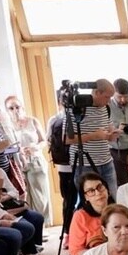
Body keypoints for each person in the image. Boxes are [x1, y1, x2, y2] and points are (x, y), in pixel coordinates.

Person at [69, 172, 128, 255]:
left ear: (108, 190)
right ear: (85, 197)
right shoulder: (80, 216)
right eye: (91, 191)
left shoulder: (121, 212)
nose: (98, 193)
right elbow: (76, 252)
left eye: (100, 187)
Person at [64, 78, 119, 194]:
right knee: (91, 201)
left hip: (107, 161)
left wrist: (111, 134)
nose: (109, 101)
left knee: (113, 199)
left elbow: (107, 126)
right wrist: (93, 136)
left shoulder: (105, 108)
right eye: (107, 97)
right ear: (97, 93)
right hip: (85, 164)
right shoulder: (76, 109)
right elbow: (66, 139)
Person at [6, 95, 51, 216]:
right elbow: (4, 150)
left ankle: (43, 223)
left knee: (40, 195)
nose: (15, 110)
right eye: (11, 108)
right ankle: (32, 224)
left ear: (22, 107)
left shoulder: (32, 121)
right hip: (19, 163)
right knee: (24, 195)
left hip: (35, 160)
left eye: (17, 107)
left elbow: (44, 141)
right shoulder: (7, 127)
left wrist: (34, 147)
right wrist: (17, 150)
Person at [46, 98, 79, 230]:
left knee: (68, 200)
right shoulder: (78, 118)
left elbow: (49, 141)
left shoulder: (54, 120)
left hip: (64, 167)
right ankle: (70, 232)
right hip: (77, 164)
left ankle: (68, 232)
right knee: (75, 200)